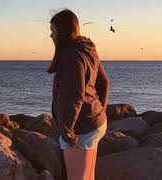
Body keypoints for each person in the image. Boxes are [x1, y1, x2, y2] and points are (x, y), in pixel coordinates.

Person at [48, 9, 109, 180]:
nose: (51, 35)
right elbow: (104, 82)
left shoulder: (70, 56)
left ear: (63, 31)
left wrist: (67, 132)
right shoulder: (87, 49)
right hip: (95, 122)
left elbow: (74, 96)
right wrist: (100, 111)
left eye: (53, 30)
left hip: (81, 128)